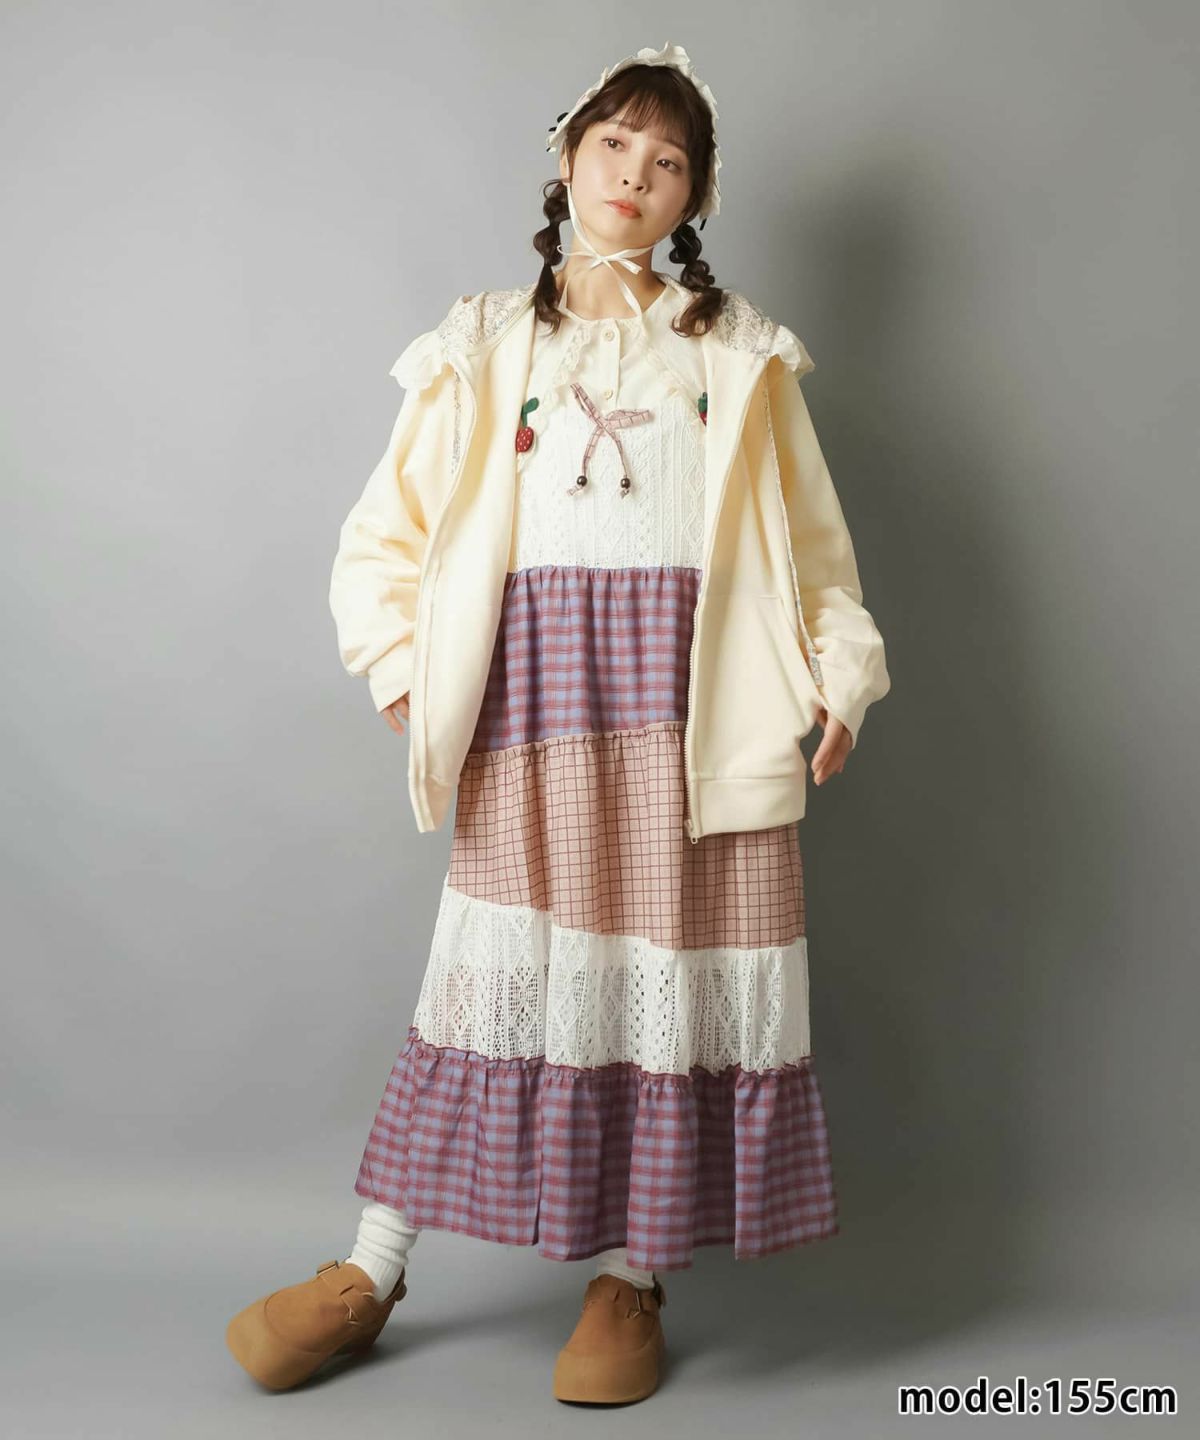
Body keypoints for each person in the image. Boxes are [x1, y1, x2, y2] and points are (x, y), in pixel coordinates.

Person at [226, 41, 891, 1404]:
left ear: (696, 194)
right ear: (568, 158)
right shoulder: (485, 342)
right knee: (492, 974)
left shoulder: (738, 355)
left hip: (695, 720)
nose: (636, 175)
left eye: (669, 160)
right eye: (614, 145)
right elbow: (384, 538)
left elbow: (816, 560)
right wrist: (404, 672)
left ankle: (630, 1277)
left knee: (668, 984)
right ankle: (371, 1266)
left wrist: (841, 677)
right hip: (534, 707)